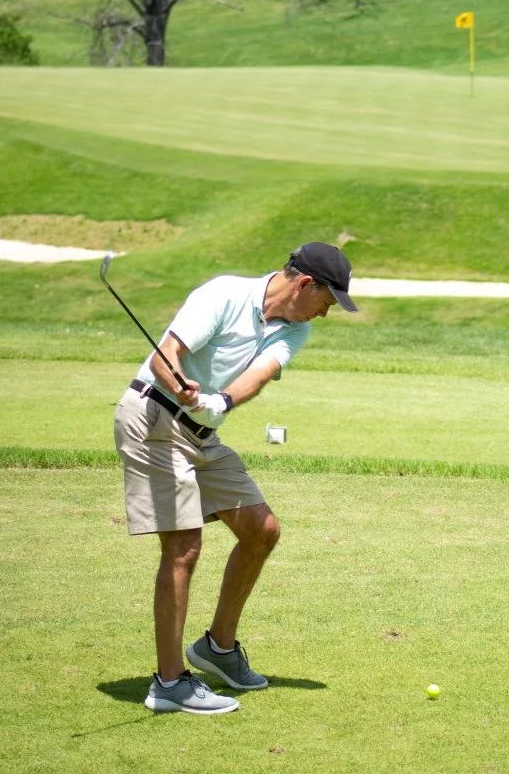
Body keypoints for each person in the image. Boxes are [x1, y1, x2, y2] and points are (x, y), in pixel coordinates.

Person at [113, 241, 356, 715]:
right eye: (326, 303)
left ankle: (217, 648)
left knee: (261, 530)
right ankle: (169, 684)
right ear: (306, 284)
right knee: (183, 548)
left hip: (202, 433)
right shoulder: (224, 295)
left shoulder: (295, 331)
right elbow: (167, 355)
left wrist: (219, 401)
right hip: (152, 419)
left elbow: (260, 374)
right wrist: (179, 381)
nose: (325, 314)